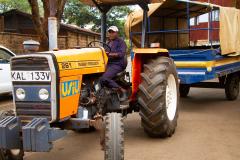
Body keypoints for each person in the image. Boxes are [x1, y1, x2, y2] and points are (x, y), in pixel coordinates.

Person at [100, 26, 128, 101]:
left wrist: (109, 54)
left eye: (113, 32)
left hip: (117, 64)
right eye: (109, 32)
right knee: (96, 77)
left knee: (104, 78)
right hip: (108, 64)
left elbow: (121, 54)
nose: (111, 34)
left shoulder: (121, 42)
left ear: (116, 33)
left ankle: (122, 90)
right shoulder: (108, 43)